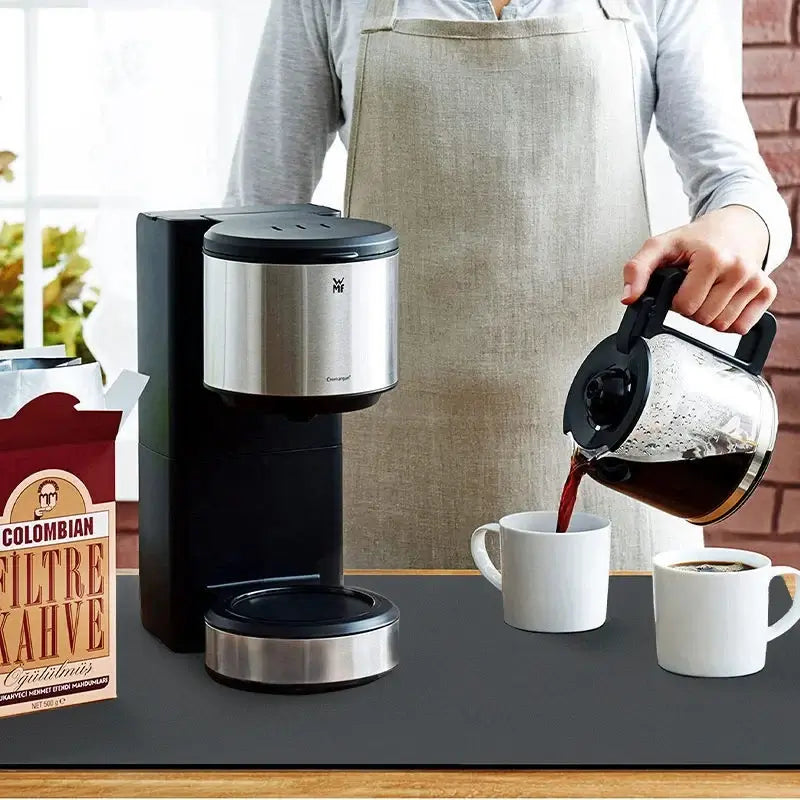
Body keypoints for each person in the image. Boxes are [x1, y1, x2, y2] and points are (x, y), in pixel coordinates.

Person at [226, 0, 792, 570]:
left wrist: (737, 227)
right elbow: (257, 218)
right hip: (384, 452)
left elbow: (736, 180)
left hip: (615, 437)